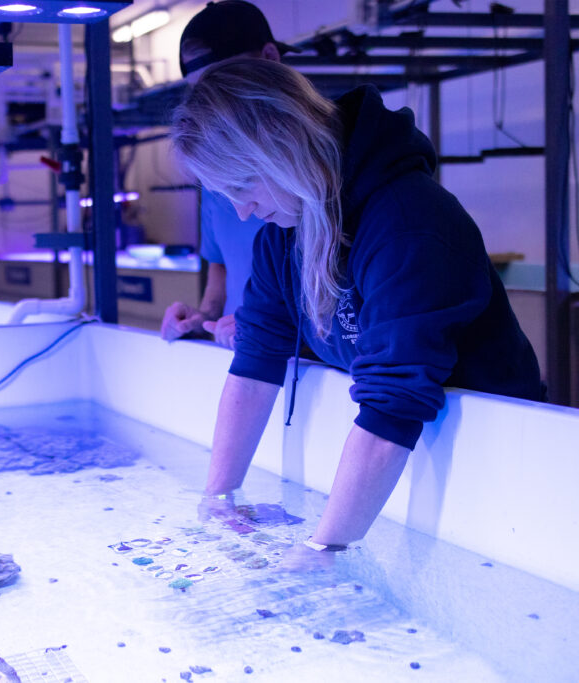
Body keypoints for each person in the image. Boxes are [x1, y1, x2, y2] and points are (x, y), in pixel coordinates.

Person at [171, 58, 543, 554]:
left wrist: (320, 555)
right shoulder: (282, 237)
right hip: (408, 456)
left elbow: (393, 405)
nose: (241, 211)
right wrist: (217, 499)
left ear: (280, 148)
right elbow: (254, 367)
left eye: (242, 186)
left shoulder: (409, 222)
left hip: (501, 455)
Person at [160, 1, 298, 349]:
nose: (212, 106)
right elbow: (220, 263)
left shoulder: (319, 166)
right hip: (244, 353)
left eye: (223, 84)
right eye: (200, 93)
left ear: (270, 57)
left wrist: (268, 328)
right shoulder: (216, 174)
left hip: (308, 368)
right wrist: (203, 317)